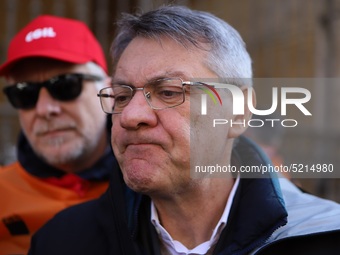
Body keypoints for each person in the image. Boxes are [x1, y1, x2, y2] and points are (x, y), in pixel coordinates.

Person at [29, 6, 340, 255]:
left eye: (168, 92)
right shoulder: (61, 242)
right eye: (122, 95)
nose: (130, 116)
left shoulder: (322, 236)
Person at [0, 15, 118, 254]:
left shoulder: (149, 189)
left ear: (110, 93)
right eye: (25, 93)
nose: (44, 109)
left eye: (65, 85)